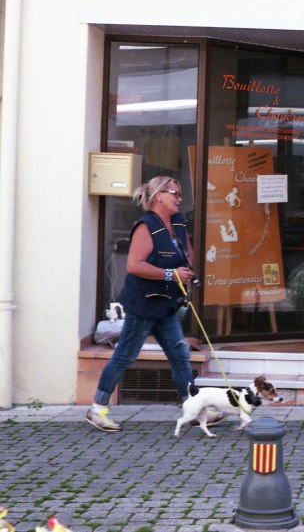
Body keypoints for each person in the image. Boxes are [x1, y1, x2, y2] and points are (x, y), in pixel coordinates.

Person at [86, 176, 225, 432]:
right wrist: (171, 274)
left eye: (180, 194)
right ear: (159, 195)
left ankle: (194, 409)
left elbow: (187, 253)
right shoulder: (146, 225)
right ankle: (97, 408)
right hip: (143, 303)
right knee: (125, 356)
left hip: (166, 303)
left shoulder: (178, 222)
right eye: (175, 194)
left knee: (180, 356)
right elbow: (134, 265)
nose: (180, 199)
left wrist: (186, 271)